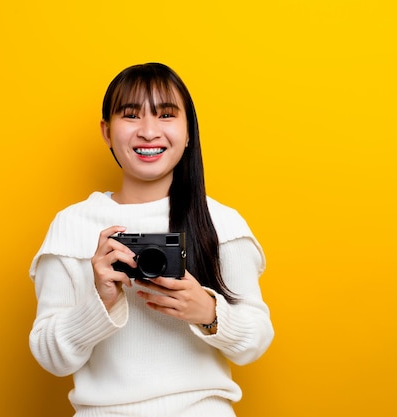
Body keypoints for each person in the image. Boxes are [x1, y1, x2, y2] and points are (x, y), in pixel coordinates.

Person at [29, 63, 274, 416]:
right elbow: (50, 357)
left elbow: (256, 341)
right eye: (130, 115)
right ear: (106, 131)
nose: (148, 131)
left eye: (166, 115)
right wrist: (101, 300)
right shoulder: (73, 226)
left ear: (188, 130)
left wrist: (207, 311)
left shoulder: (220, 222)